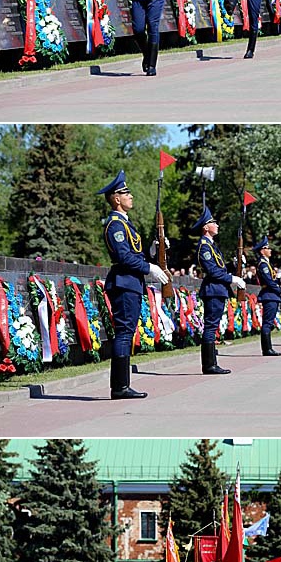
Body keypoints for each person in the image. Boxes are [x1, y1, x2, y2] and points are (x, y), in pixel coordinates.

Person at [98, 170, 169, 400]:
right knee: (124, 333)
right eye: (126, 193)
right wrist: (150, 268)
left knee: (127, 333)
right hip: (124, 283)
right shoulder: (115, 225)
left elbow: (134, 253)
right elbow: (124, 257)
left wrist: (152, 252)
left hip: (131, 283)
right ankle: (120, 387)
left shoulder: (126, 224)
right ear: (116, 199)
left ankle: (122, 386)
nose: (131, 196)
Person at [191, 205, 245, 376]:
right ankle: (209, 365)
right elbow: (213, 271)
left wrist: (234, 264)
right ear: (206, 227)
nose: (217, 225)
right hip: (213, 290)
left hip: (218, 290)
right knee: (210, 327)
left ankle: (211, 363)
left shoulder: (212, 246)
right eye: (213, 222)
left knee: (212, 327)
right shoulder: (204, 246)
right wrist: (232, 279)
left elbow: (220, 267)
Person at [254, 235, 281, 358]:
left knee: (268, 322)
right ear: (262, 251)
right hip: (269, 295)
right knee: (267, 323)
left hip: (271, 295)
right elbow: (268, 281)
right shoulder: (263, 264)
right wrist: (280, 291)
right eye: (267, 248)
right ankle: (267, 349)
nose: (270, 250)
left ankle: (268, 348)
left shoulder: (267, 264)